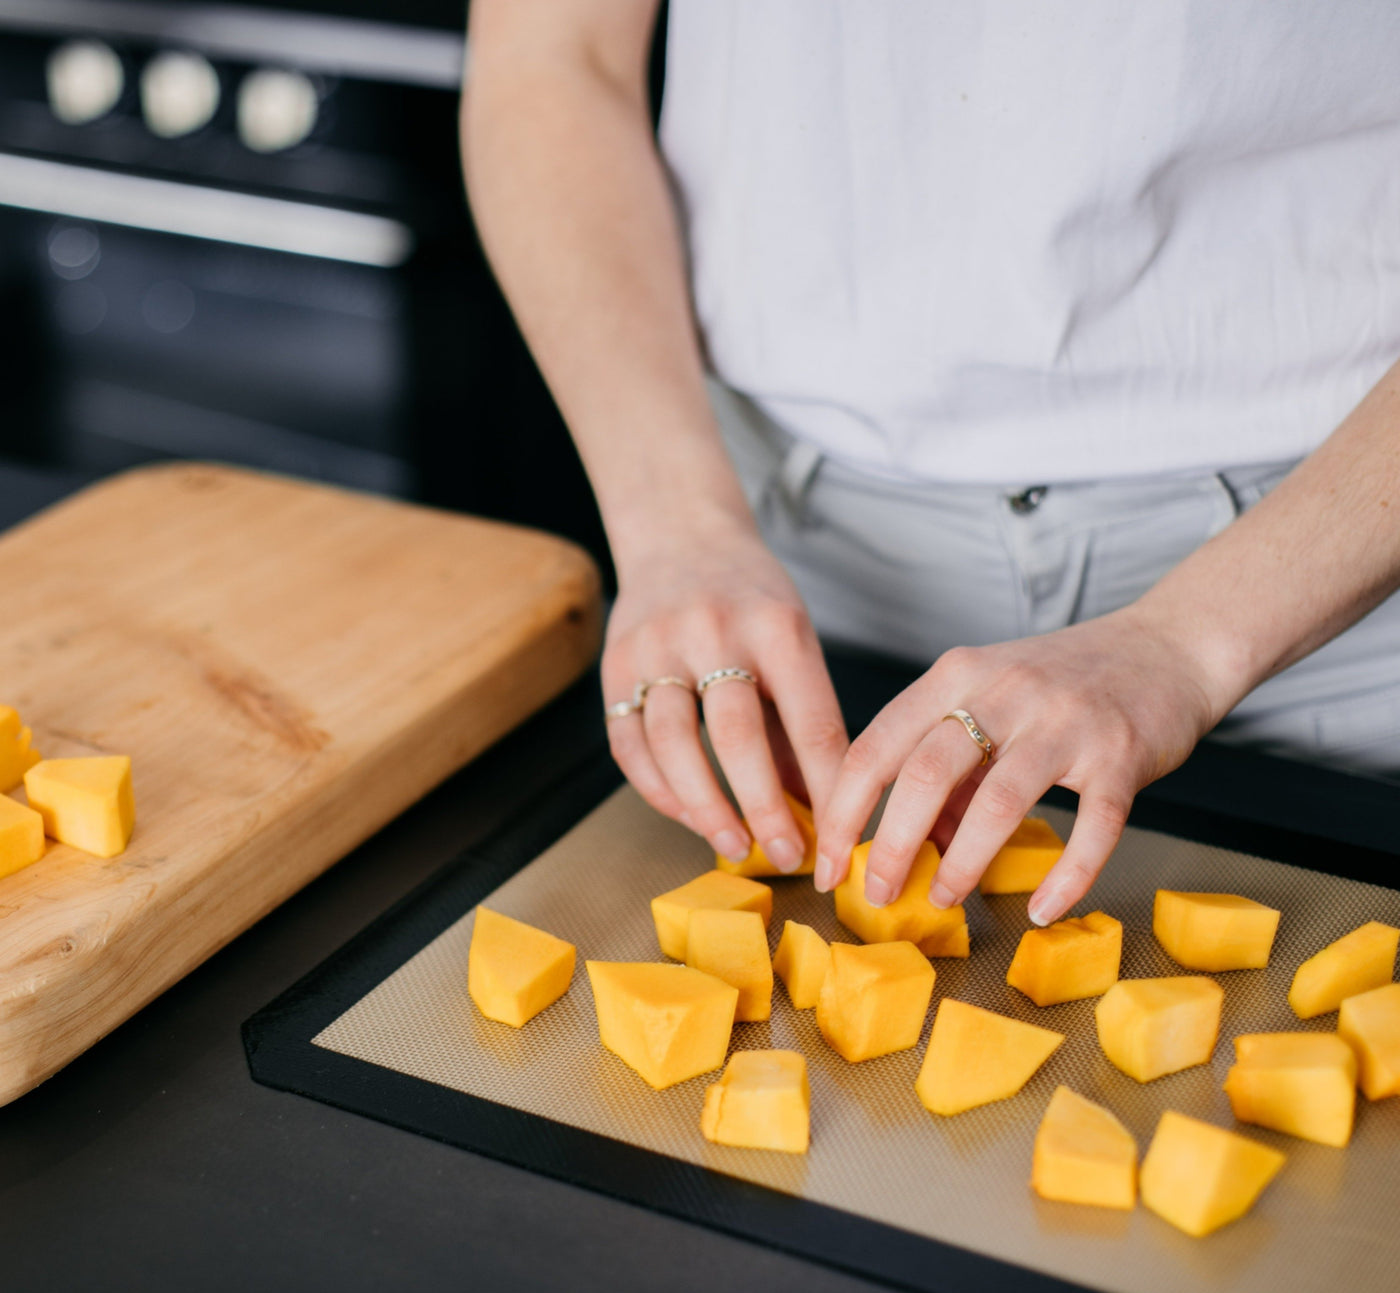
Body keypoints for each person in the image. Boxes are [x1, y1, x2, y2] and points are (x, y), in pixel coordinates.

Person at [462, 0, 1400, 928]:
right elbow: (553, 56)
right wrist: (676, 527)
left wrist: (1187, 643)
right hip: (792, 573)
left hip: (1327, 581)